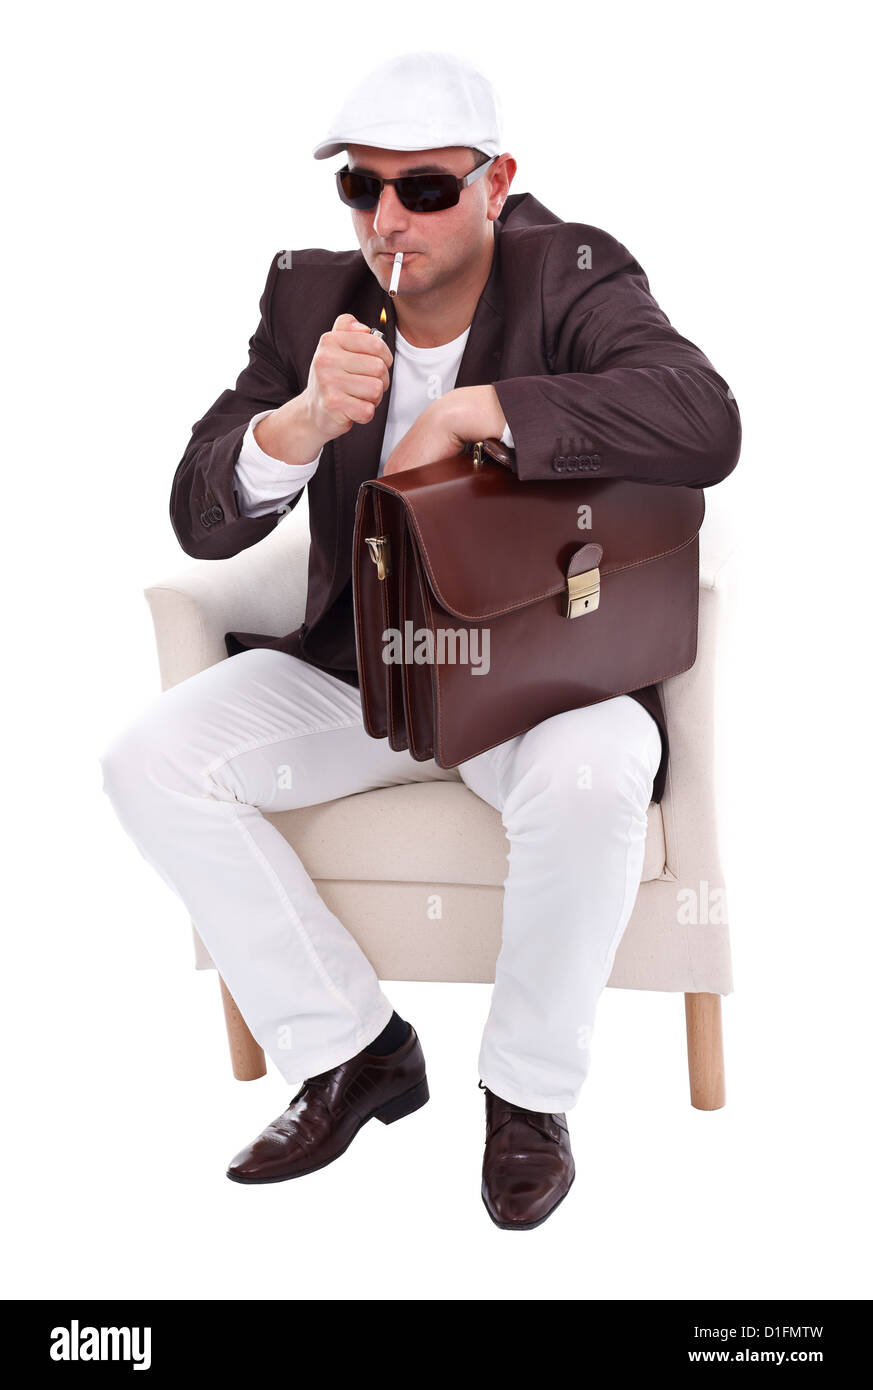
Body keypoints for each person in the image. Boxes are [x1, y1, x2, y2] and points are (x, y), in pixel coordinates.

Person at [100, 50, 741, 1231]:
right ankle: (354, 1049)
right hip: (367, 671)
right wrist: (290, 429)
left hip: (536, 679)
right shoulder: (310, 299)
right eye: (362, 187)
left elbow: (704, 416)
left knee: (601, 766)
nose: (389, 217)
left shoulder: (572, 273)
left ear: (496, 182)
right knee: (146, 760)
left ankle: (528, 1097)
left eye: (427, 189)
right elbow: (200, 514)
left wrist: (476, 409)